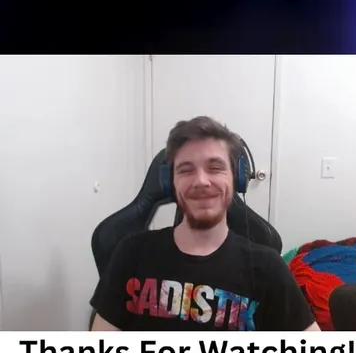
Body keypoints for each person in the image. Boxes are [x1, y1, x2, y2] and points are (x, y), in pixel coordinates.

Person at [90, 116, 319, 331]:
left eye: (215, 167)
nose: (201, 181)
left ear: (236, 178)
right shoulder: (132, 253)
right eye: (186, 170)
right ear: (170, 182)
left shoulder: (268, 268)